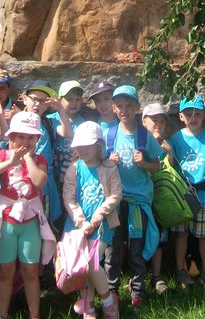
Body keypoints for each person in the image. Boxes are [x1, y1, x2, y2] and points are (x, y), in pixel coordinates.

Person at [0, 111, 56, 319]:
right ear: (12, 137)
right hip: (7, 218)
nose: (25, 142)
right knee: (5, 269)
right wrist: (10, 162)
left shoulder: (39, 158)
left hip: (30, 220)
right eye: (21, 137)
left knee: (30, 270)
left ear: (37, 139)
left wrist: (27, 158)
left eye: (31, 138)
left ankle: (35, 314)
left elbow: (39, 182)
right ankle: (2, 313)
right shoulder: (3, 155)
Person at [104, 84, 164, 308]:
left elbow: (157, 165)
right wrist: (109, 163)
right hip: (115, 202)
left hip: (138, 203)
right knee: (113, 249)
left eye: (129, 105)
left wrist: (144, 164)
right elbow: (98, 166)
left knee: (136, 250)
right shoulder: (108, 134)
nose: (124, 110)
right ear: (114, 108)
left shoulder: (144, 135)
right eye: (119, 106)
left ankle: (138, 292)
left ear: (137, 107)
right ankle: (111, 292)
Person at [62, 121, 122, 319]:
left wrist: (98, 216)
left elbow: (115, 195)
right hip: (78, 226)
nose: (82, 149)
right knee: (81, 265)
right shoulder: (74, 169)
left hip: (103, 225)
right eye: (79, 146)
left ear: (99, 145)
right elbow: (69, 198)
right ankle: (88, 306)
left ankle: (108, 302)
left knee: (92, 262)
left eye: (87, 145)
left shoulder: (110, 168)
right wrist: (82, 222)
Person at [169, 95, 205, 291]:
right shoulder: (176, 138)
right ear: (181, 116)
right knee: (181, 234)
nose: (193, 117)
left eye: (197, 113)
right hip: (182, 194)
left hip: (203, 193)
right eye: (188, 113)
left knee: (204, 235)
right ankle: (180, 269)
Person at [21, 79, 72, 227]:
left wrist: (60, 109)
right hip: (22, 179)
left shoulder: (48, 122)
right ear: (25, 99)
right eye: (34, 99)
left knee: (44, 221)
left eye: (43, 101)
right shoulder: (17, 120)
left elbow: (68, 133)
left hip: (45, 181)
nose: (37, 104)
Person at [141, 102, 173, 295]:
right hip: (143, 196)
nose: (158, 124)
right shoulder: (139, 141)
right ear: (144, 122)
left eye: (162, 121)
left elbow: (171, 170)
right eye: (154, 120)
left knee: (160, 236)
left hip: (161, 198)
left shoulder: (166, 143)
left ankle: (157, 274)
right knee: (140, 236)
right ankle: (138, 274)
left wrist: (169, 152)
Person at [51, 80, 86, 195]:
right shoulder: (52, 119)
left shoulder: (82, 122)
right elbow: (66, 133)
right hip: (55, 172)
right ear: (60, 100)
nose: (74, 103)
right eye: (69, 99)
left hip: (74, 173)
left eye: (78, 99)